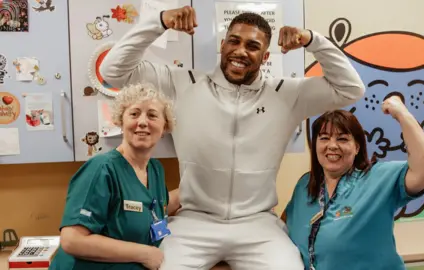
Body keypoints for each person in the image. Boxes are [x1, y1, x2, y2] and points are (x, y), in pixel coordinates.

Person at [99, 5, 365, 270]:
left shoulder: (287, 94)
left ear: (264, 56)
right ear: (223, 44)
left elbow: (351, 88)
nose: (240, 51)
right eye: (234, 41)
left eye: (252, 46)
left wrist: (312, 40)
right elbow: (113, 72)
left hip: (258, 225)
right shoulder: (183, 84)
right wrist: (159, 21)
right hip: (194, 221)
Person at [282, 96, 424, 270]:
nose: (332, 145)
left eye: (342, 139)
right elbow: (284, 229)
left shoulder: (377, 179)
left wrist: (402, 114)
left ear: (357, 147)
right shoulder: (305, 185)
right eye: (324, 138)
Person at [49, 83, 179, 270]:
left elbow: (157, 206)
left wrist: (195, 190)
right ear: (120, 121)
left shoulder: (155, 169)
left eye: (152, 115)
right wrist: (145, 254)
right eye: (134, 114)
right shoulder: (101, 169)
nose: (143, 122)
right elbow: (72, 240)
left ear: (165, 126)